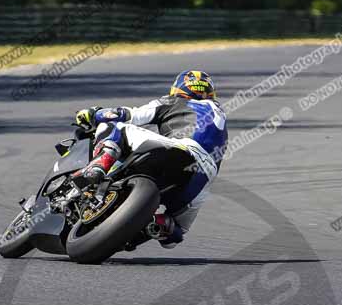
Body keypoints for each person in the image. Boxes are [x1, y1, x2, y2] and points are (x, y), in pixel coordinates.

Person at [73, 70, 227, 249]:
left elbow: (128, 114)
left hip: (181, 150)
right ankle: (151, 226)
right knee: (174, 234)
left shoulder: (174, 101)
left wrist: (93, 113)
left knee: (116, 127)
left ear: (178, 88)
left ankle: (101, 164)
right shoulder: (220, 116)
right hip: (202, 178)